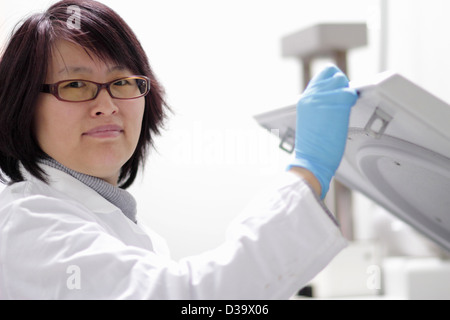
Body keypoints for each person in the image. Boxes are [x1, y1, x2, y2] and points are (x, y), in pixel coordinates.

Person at [0, 0, 358, 299]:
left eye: (122, 82)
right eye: (76, 84)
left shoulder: (106, 219)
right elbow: (188, 297)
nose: (106, 104)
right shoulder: (28, 225)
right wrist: (307, 171)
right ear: (23, 106)